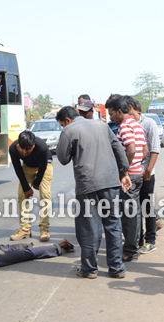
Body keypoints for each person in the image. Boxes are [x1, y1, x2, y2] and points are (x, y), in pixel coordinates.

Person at [56, 106, 131, 279]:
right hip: (111, 183)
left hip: (87, 185)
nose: (63, 128)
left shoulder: (69, 130)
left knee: (89, 228)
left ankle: (89, 269)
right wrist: (124, 172)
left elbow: (63, 158)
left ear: (67, 120)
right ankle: (117, 268)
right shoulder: (102, 126)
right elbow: (119, 149)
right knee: (113, 226)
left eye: (62, 125)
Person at [106, 95, 148, 262]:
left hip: (129, 176)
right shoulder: (135, 124)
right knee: (135, 212)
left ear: (119, 111)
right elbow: (144, 150)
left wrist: (125, 171)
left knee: (128, 215)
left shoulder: (124, 126)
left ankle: (130, 250)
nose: (110, 118)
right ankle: (134, 246)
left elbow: (130, 150)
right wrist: (137, 165)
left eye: (111, 114)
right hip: (137, 173)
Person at [129, 99, 164, 254]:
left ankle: (150, 240)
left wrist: (149, 170)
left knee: (147, 208)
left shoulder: (148, 123)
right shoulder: (126, 124)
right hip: (132, 174)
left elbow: (155, 149)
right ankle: (138, 240)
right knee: (134, 209)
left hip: (146, 173)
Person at [9, 131, 53, 241]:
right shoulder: (13, 148)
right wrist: (26, 187)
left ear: (33, 145)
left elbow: (43, 167)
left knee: (45, 195)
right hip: (27, 167)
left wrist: (37, 183)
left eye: (28, 149)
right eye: (22, 148)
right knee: (22, 195)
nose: (24, 152)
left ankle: (44, 228)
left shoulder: (42, 147)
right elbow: (17, 168)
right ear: (18, 144)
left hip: (44, 166)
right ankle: (25, 229)